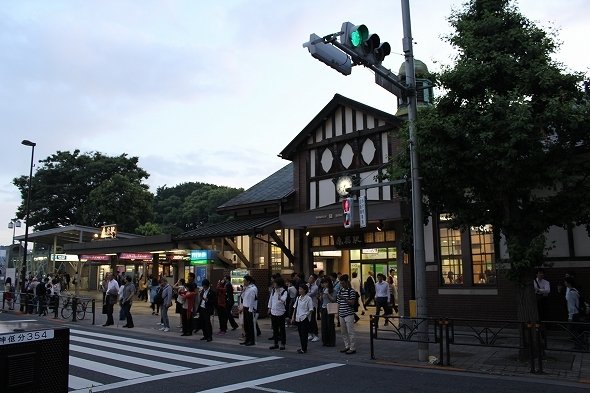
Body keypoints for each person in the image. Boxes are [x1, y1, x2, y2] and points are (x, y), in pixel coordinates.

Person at [337, 274, 357, 355]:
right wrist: (337, 313)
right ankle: (347, 346)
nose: (342, 285)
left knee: (350, 331)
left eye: (343, 283)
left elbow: (352, 303)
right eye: (341, 283)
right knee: (343, 332)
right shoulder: (340, 291)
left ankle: (352, 348)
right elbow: (338, 303)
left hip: (349, 314)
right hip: (341, 313)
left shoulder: (351, 291)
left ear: (346, 282)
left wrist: (344, 298)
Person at [291, 283, 313, 354]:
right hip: (298, 318)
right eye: (299, 289)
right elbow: (295, 308)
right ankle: (302, 347)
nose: (299, 290)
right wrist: (293, 317)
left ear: (305, 290)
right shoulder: (298, 298)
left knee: (304, 334)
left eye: (301, 289)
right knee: (300, 334)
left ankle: (304, 348)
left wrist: (305, 315)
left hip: (304, 318)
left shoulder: (308, 298)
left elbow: (311, 309)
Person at [268, 276, 288, 350]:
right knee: (275, 329)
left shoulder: (284, 291)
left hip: (281, 312)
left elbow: (283, 300)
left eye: (275, 283)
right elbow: (271, 300)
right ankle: (275, 343)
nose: (274, 285)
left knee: (282, 329)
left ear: (279, 284)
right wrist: (269, 308)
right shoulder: (273, 291)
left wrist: (279, 294)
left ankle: (283, 343)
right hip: (273, 311)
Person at [240, 275, 258, 346]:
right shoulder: (247, 288)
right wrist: (243, 290)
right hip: (245, 307)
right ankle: (247, 339)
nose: (243, 282)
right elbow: (242, 297)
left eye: (244, 281)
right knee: (246, 325)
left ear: (248, 281)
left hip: (250, 308)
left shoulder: (253, 288)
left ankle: (252, 340)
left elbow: (252, 299)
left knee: (250, 325)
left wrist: (251, 309)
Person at [320, 277, 336, 347]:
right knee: (324, 325)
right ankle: (325, 341)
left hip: (330, 308)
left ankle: (331, 341)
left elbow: (333, 300)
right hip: (323, 308)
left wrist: (328, 294)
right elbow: (322, 300)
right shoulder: (323, 289)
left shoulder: (333, 290)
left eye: (326, 282)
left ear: (329, 283)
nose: (324, 284)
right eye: (323, 283)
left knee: (330, 325)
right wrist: (321, 295)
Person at [307, 274, 320, 342]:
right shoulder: (307, 285)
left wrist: (305, 292)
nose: (309, 279)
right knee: (308, 320)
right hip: (307, 305)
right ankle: (310, 334)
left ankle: (316, 335)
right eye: (309, 277)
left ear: (314, 279)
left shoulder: (315, 287)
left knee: (312, 320)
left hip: (313, 305)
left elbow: (309, 294)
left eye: (311, 278)